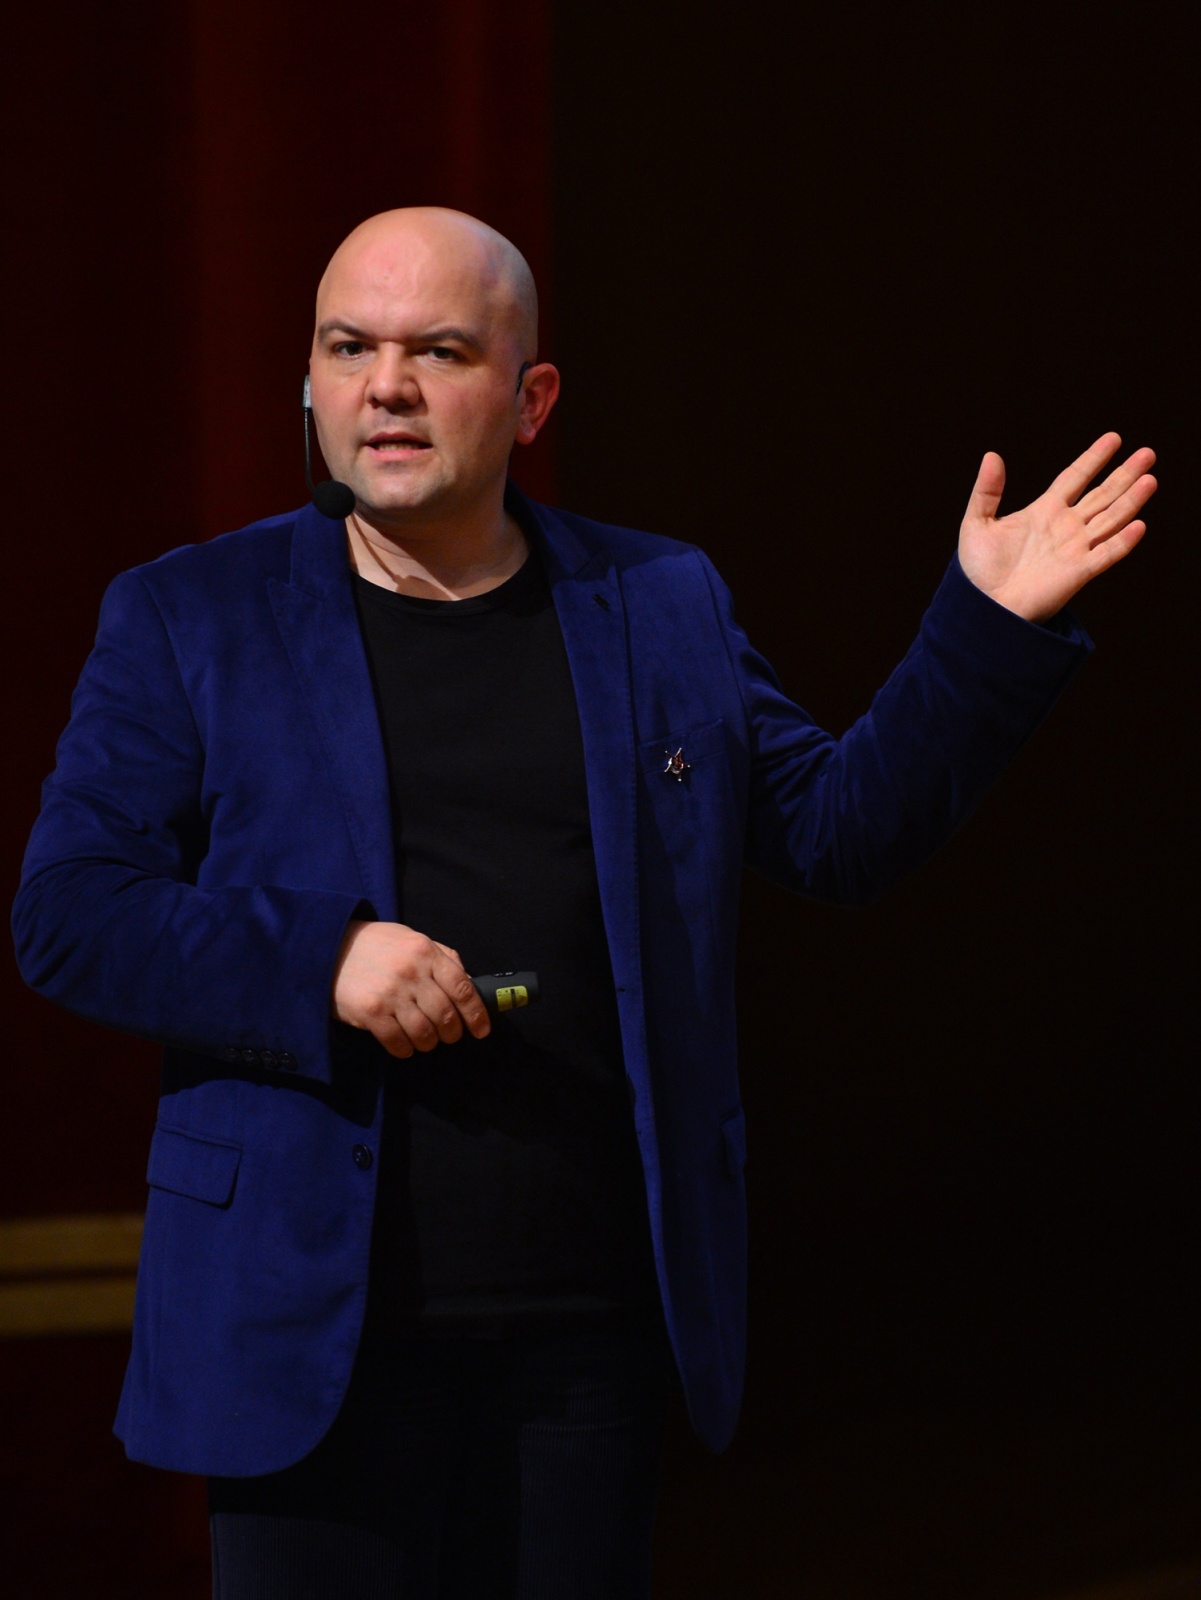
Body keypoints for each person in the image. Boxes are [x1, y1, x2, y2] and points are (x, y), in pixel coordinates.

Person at [12, 207, 1156, 1599]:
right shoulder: (191, 614)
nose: (386, 387)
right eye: (348, 348)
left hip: (584, 1337)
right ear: (307, 379)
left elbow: (836, 832)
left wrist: (984, 626)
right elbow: (71, 911)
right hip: (305, 1334)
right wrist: (324, 960)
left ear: (531, 397)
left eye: (439, 351)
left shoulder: (657, 601)